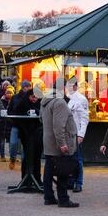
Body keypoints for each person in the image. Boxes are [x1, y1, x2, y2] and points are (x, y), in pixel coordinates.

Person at [41, 78, 79, 208]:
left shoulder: (46, 100)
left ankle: (49, 197)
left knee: (49, 169)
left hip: (48, 141)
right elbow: (59, 126)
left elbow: (41, 119)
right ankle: (63, 199)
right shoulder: (59, 102)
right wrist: (62, 143)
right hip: (59, 143)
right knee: (63, 170)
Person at [15, 89, 43, 184]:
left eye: (36, 97)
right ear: (28, 96)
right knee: (27, 156)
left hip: (38, 134)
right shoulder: (22, 104)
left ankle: (37, 178)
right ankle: (26, 179)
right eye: (32, 97)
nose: (34, 99)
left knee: (37, 156)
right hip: (26, 134)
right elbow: (16, 117)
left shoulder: (40, 103)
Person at [67, 77, 89, 193]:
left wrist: (81, 135)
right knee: (69, 159)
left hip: (76, 134)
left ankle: (78, 183)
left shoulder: (81, 99)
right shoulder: (67, 99)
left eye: (71, 86)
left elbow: (84, 119)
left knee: (77, 159)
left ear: (75, 86)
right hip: (68, 134)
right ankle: (70, 181)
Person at [7, 80, 31, 170]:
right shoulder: (15, 97)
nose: (28, 88)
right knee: (13, 144)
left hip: (26, 126)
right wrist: (12, 118)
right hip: (16, 124)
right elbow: (9, 110)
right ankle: (12, 158)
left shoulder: (31, 97)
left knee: (24, 146)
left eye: (29, 86)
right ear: (23, 87)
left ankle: (24, 164)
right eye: (27, 86)